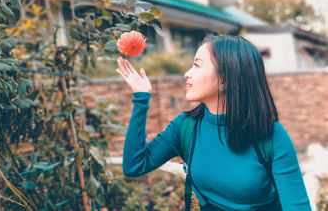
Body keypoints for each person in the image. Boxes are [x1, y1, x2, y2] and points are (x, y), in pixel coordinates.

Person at [115, 34, 312, 211]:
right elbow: (134, 165)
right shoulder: (185, 127)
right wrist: (141, 100)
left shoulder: (271, 136)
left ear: (224, 79)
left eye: (197, 65)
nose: (187, 73)